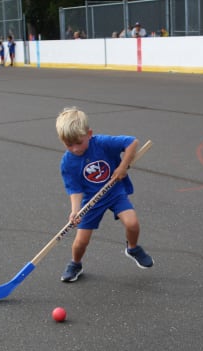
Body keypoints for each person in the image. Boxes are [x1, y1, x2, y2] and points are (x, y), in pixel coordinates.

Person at [55, 107, 154, 282]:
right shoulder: (67, 162)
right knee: (80, 243)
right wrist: (75, 211)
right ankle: (75, 263)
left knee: (132, 223)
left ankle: (132, 248)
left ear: (89, 134)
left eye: (79, 142)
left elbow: (132, 142)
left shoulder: (101, 143)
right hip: (91, 201)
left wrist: (123, 166)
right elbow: (74, 188)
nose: (75, 149)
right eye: (69, 145)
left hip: (114, 192)